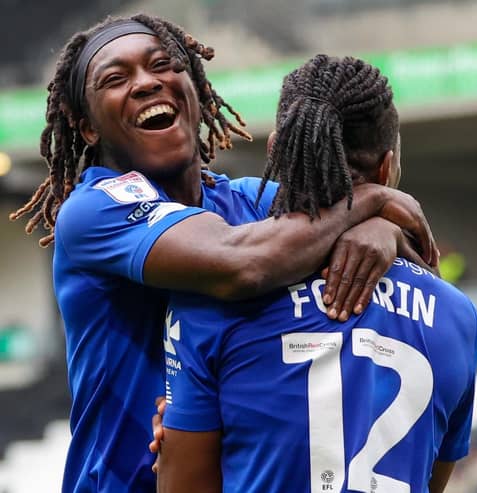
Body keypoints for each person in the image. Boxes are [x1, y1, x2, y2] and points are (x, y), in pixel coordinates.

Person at [8, 14, 438, 493]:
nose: (147, 83)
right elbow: (242, 265)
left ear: (195, 87)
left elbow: (345, 220)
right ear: (88, 128)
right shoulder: (94, 209)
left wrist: (378, 228)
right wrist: (372, 204)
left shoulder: (250, 201)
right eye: (116, 78)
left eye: (164, 65)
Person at [157, 55, 477, 493]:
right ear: (386, 170)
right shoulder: (458, 316)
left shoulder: (210, 301)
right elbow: (430, 480)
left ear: (275, 151)